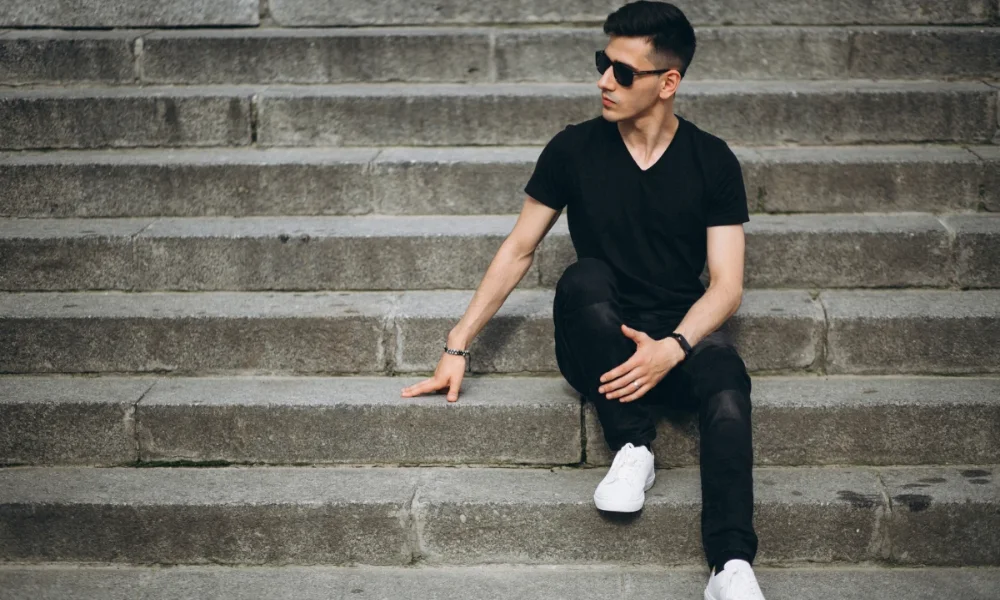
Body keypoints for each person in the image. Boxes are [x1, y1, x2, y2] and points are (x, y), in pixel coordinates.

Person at [401, 2, 764, 598]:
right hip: (601, 337)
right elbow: (519, 248)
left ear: (668, 82)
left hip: (676, 337)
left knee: (728, 388)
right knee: (584, 276)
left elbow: (727, 285)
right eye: (603, 63)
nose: (603, 80)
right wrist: (457, 343)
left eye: (623, 71)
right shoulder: (574, 150)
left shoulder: (712, 160)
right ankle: (633, 445)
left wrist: (673, 348)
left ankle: (731, 565)